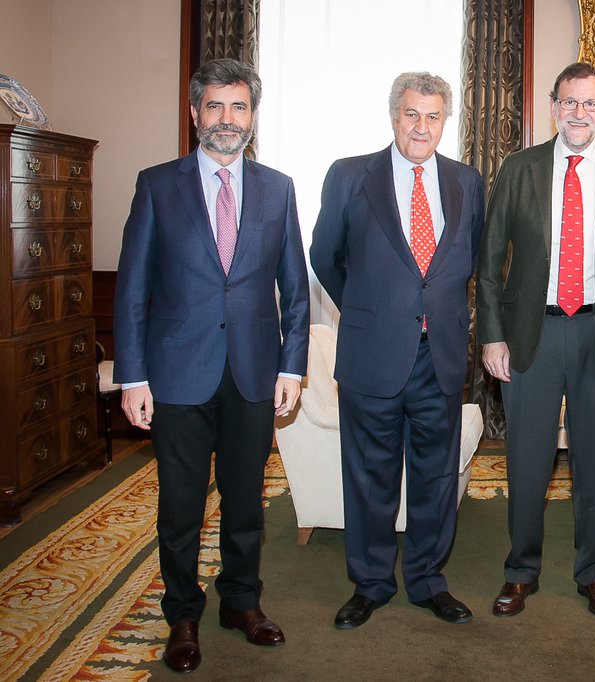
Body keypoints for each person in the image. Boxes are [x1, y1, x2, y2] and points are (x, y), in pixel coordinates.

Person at [114, 58, 310, 673]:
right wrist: (134, 376)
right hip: (175, 376)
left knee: (246, 500)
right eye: (215, 107)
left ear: (253, 115)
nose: (227, 120)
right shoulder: (156, 185)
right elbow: (132, 288)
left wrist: (292, 367)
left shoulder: (279, 188)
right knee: (180, 505)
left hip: (253, 373)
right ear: (195, 113)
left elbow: (295, 290)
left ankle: (241, 603)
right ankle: (183, 615)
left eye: (239, 107)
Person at [309, 72, 484, 630]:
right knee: (369, 476)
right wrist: (368, 311)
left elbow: (471, 260)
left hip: (442, 355)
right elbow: (325, 255)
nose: (422, 126)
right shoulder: (349, 175)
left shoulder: (467, 181)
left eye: (433, 116)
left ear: (444, 122)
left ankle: (430, 580)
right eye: (412, 114)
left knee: (436, 477)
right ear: (393, 116)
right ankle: (372, 582)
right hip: (372, 354)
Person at [477, 62, 595, 619]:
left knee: (593, 461)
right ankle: (521, 571)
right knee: (527, 461)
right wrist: (492, 336)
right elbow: (488, 265)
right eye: (569, 103)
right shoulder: (519, 169)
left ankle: (593, 572)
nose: (579, 113)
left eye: (590, 104)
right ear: (553, 107)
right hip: (532, 333)